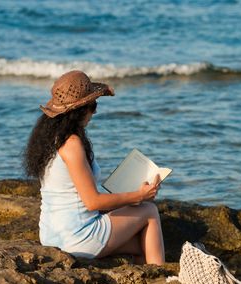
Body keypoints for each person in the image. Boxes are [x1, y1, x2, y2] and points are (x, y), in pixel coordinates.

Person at [23, 70, 165, 265]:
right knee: (149, 210)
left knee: (141, 244)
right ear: (81, 110)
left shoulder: (49, 139)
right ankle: (164, 281)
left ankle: (150, 279)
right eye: (93, 106)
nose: (95, 112)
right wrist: (140, 196)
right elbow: (92, 202)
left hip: (51, 234)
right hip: (76, 237)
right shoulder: (72, 144)